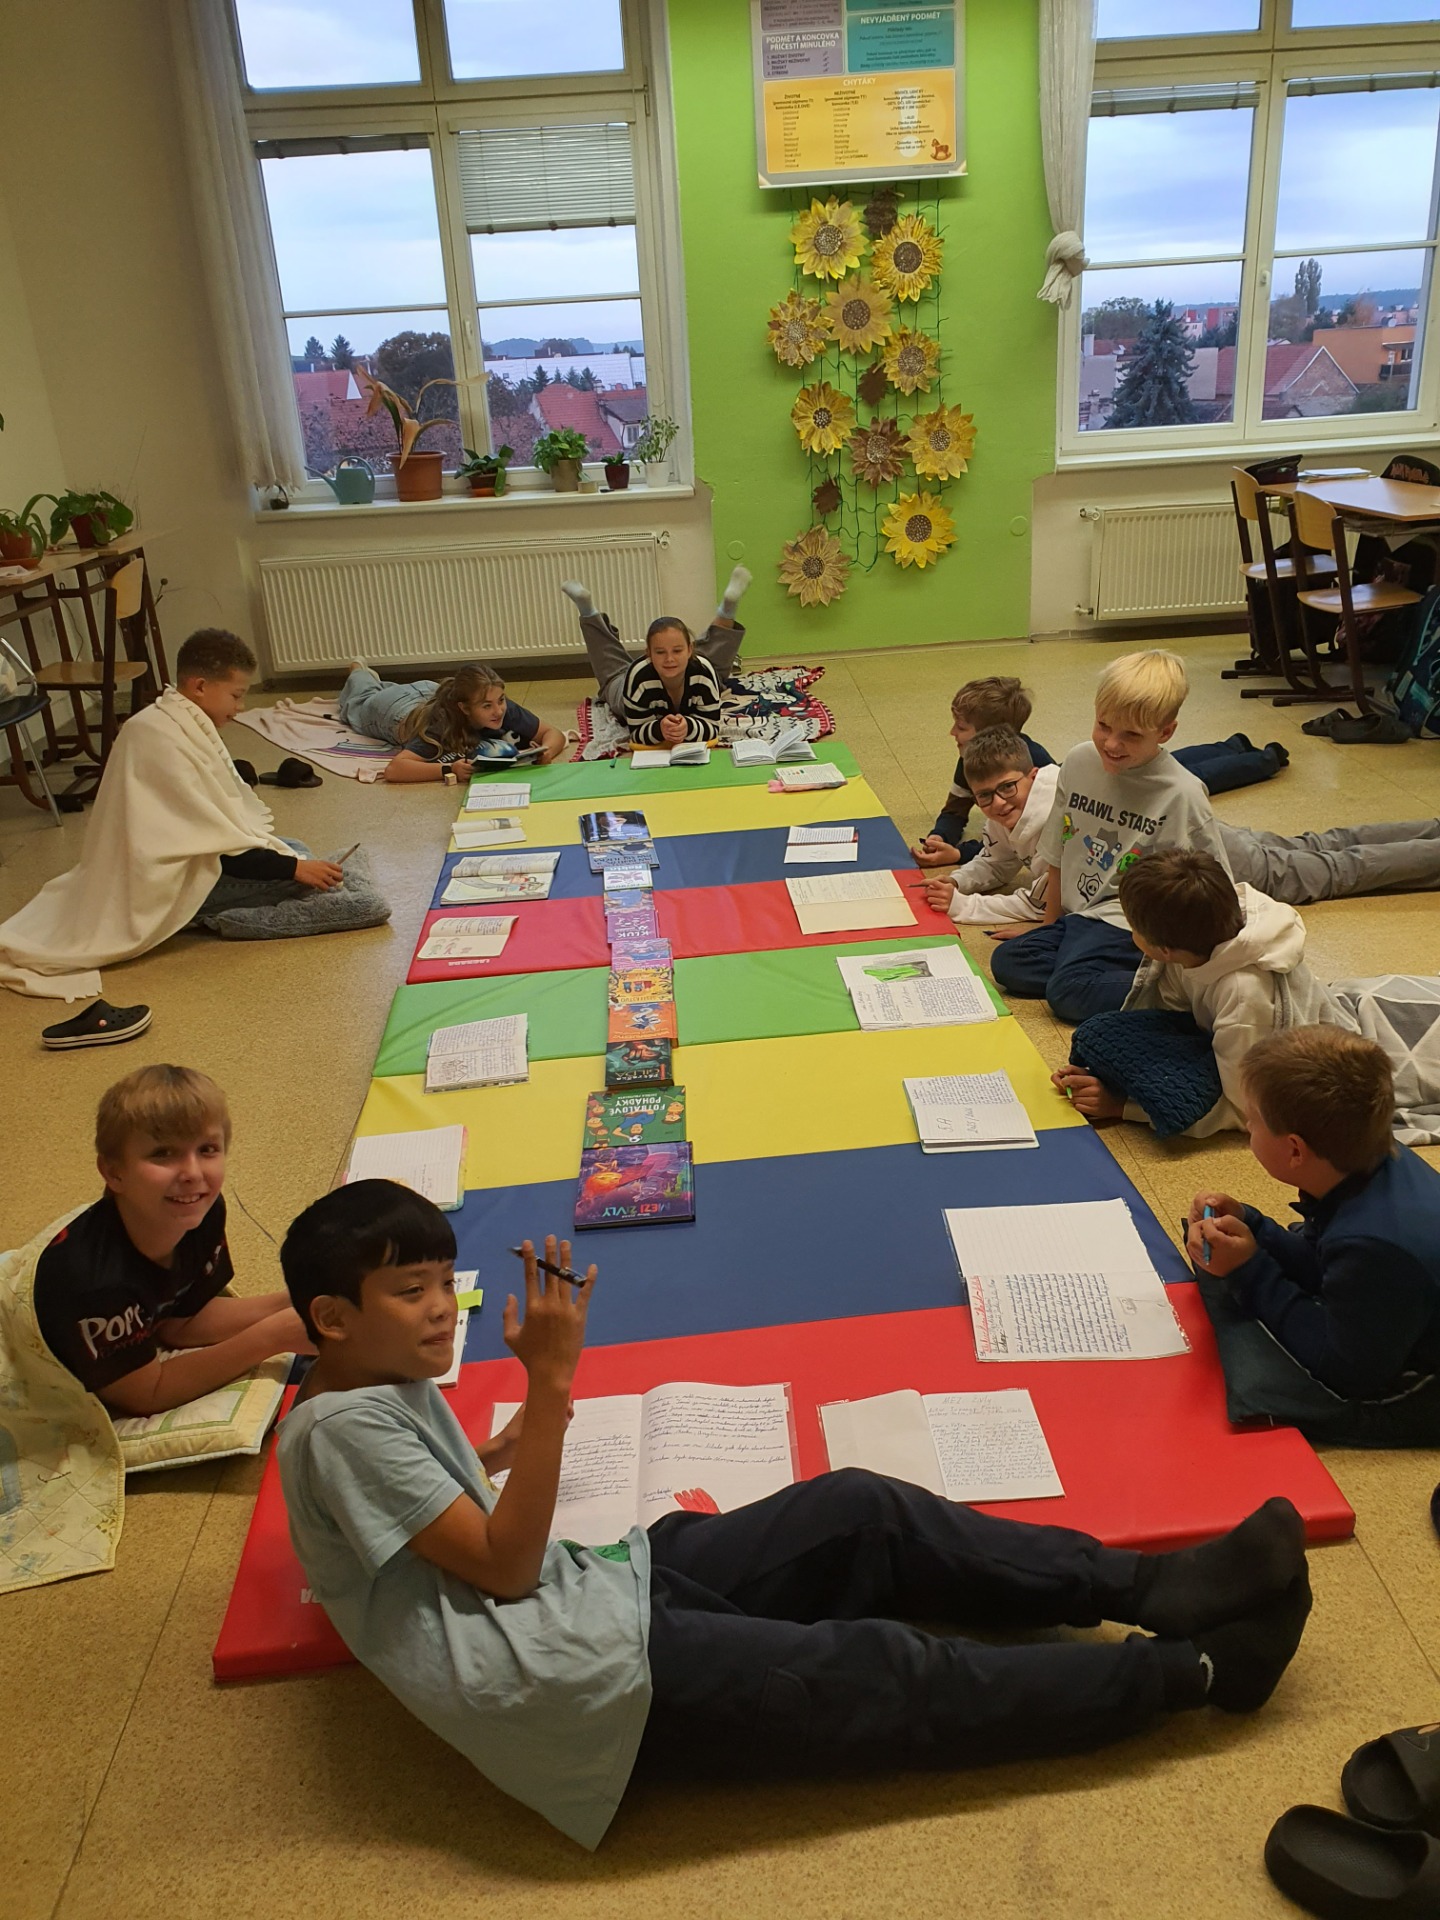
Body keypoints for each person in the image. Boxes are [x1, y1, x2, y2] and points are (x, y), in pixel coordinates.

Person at [277, 1179, 1313, 1852]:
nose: (440, 1309)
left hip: (589, 1593)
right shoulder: (341, 1432)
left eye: (441, 1284)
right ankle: (1196, 1674)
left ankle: (1158, 1586)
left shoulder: (363, 1388)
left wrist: (498, 1450)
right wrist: (549, 1390)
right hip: (573, 1680)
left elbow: (428, 1509)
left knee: (857, 1509)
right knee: (885, 1671)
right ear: (332, 1319)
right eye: (410, 1292)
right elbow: (501, 1568)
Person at [0, 628, 389, 1023]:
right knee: (307, 877)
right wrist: (294, 869)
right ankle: (216, 917)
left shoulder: (168, 718)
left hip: (165, 864)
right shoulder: (163, 737)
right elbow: (221, 849)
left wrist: (290, 860)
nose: (240, 708)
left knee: (292, 848)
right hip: (162, 886)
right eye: (236, 696)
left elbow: (213, 828)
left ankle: (244, 895)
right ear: (200, 686)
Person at [1187, 1026, 1440, 1447]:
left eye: (1253, 1120)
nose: (1247, 1125)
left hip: (1422, 1373)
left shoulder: (1373, 1244)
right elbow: (1321, 1258)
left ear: (1295, 1151)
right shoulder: (1375, 1158)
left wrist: (1250, 1270)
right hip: (1391, 1292)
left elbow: (1342, 1369)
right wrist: (1255, 1227)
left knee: (1308, 1397)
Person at [33, 1065, 310, 1416]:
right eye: (163, 1153)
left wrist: (295, 1299)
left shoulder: (202, 1212)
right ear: (114, 1173)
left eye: (207, 1149)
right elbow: (146, 1394)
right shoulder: (94, 1280)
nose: (193, 1173)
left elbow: (177, 1323)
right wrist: (273, 1337)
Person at [987, 651, 1234, 1025]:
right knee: (1010, 962)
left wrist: (1192, 964)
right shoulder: (1078, 762)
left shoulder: (1182, 794)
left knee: (1067, 992)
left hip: (1131, 926)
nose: (1112, 744)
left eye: (1131, 735)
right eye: (1104, 725)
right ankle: (1095, 969)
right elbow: (1057, 855)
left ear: (1165, 733)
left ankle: (1176, 992)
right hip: (1081, 918)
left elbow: (1211, 892)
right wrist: (1051, 928)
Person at [1053, 850, 1358, 1137]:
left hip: (1293, 1060)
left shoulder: (1244, 995)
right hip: (1222, 1042)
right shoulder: (1192, 943)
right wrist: (1106, 1075)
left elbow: (1247, 1108)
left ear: (1164, 949)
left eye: (1132, 927)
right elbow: (1168, 1021)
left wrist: (1124, 1107)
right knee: (1100, 1034)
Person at [911, 675, 1287, 871]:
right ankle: (1233, 744)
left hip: (1113, 787)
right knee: (1174, 760)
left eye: (961, 727)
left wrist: (962, 854)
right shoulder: (973, 761)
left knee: (1190, 773)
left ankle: (1265, 759)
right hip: (1111, 773)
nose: (952, 733)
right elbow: (956, 809)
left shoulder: (1035, 764)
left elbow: (1028, 838)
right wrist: (940, 836)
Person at [563, 567, 751, 745]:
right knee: (613, 675)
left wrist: (688, 727)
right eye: (660, 652)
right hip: (632, 684)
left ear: (690, 650)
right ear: (649, 654)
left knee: (714, 671)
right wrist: (660, 729)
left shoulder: (703, 670)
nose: (669, 659)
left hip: (696, 670)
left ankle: (727, 609)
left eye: (677, 651)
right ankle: (588, 611)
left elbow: (711, 726)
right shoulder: (637, 677)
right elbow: (637, 732)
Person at [336, 661, 566, 781]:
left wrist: (547, 751)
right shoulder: (440, 725)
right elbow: (395, 769)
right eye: (487, 706)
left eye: (501, 700)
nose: (498, 711)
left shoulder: (501, 708)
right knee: (358, 700)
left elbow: (552, 733)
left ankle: (378, 681)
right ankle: (359, 671)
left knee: (385, 690)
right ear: (464, 708)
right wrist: (447, 769)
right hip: (394, 710)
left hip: (430, 691)